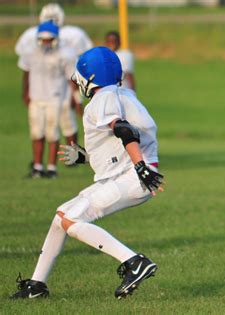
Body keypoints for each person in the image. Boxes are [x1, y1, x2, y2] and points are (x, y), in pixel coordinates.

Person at [10, 47, 164, 300]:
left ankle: (134, 262)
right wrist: (86, 157)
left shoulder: (102, 98)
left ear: (91, 77)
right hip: (128, 173)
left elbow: (125, 132)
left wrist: (140, 167)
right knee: (61, 217)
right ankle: (36, 286)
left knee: (71, 220)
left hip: (134, 176)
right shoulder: (122, 94)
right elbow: (117, 144)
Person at [16, 3, 93, 146]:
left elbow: (75, 68)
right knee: (46, 126)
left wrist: (76, 96)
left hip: (65, 83)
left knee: (67, 122)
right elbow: (26, 66)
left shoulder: (71, 35)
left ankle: (73, 155)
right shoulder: (38, 36)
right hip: (45, 87)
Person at [18, 21, 77, 178]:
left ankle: (51, 168)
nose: (46, 42)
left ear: (56, 38)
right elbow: (26, 72)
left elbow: (71, 78)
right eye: (43, 39)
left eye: (49, 39)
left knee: (52, 132)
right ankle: (37, 166)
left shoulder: (65, 53)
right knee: (36, 132)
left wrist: (75, 98)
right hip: (36, 97)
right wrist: (25, 92)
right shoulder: (30, 51)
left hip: (55, 97)